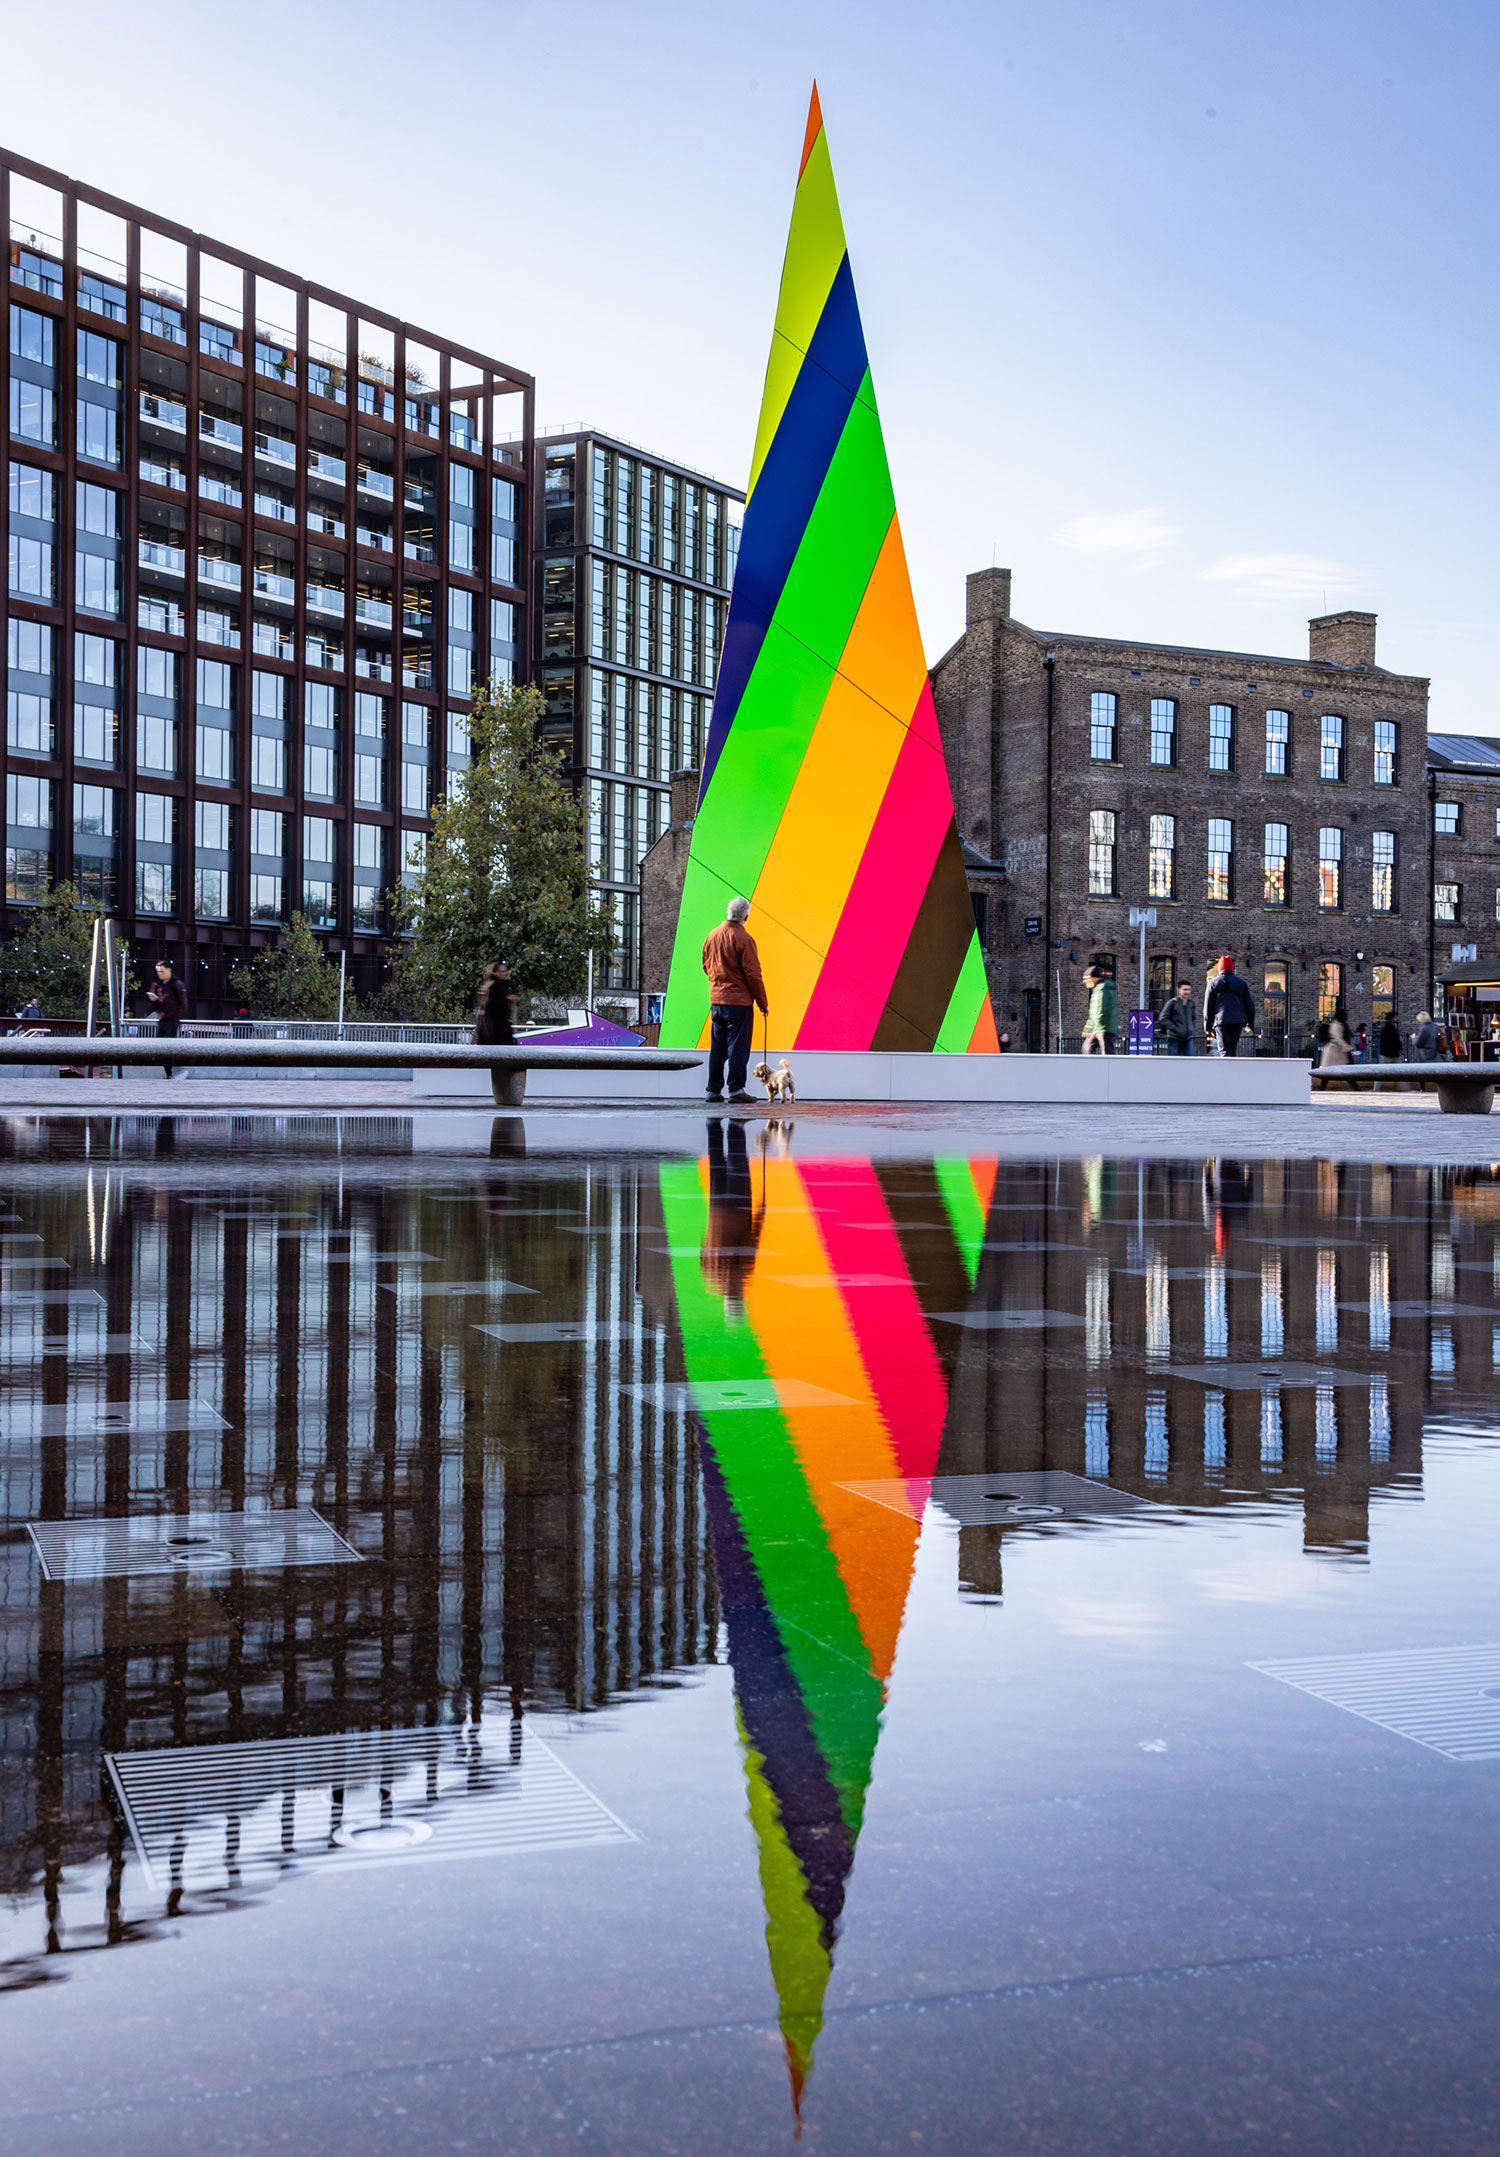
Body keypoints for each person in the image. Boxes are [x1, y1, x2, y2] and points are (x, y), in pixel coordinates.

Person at [701, 896, 767, 1103]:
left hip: (717, 1001)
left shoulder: (711, 936)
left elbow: (705, 966)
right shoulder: (744, 939)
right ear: (746, 916)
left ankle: (713, 1091)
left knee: (718, 1048)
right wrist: (762, 1001)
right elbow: (753, 974)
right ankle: (736, 1090)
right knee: (738, 1048)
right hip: (739, 1003)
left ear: (728, 912)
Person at [1204, 955, 1256, 1058]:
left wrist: (1207, 1026)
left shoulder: (1213, 983)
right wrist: (1250, 1024)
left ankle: (1226, 1072)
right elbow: (1249, 1005)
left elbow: (1208, 1006)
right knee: (1233, 1049)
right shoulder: (1241, 983)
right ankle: (1233, 1071)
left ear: (1219, 968)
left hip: (1221, 1021)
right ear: (1232, 968)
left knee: (1224, 1050)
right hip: (1237, 1021)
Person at [147, 958, 188, 1078]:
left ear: (169, 970)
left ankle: (174, 1071)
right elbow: (157, 1006)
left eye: (162, 971)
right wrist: (154, 1000)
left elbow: (183, 1004)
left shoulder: (177, 985)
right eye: (158, 972)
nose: (160, 974)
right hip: (162, 1020)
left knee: (169, 1048)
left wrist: (176, 1020)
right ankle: (169, 1073)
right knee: (161, 1049)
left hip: (172, 1021)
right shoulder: (159, 985)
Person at [473, 960, 516, 1045]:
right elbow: (491, 1004)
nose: (504, 973)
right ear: (495, 973)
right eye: (502, 971)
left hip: (494, 1027)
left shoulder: (491, 985)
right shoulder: (495, 986)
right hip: (496, 1027)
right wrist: (506, 999)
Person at [1080, 967, 1117, 1054]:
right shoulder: (1098, 989)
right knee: (1087, 1048)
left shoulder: (1102, 990)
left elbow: (1099, 1011)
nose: (1084, 982)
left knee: (1106, 1052)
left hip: (1102, 1027)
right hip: (1099, 1027)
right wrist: (1089, 1029)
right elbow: (1094, 1012)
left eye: (1086, 979)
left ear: (1094, 978)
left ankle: (1109, 1067)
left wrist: (1093, 1029)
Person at [1157, 981, 1197, 1056]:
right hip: (1174, 1038)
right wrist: (1175, 1028)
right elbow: (1163, 1018)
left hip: (1188, 1038)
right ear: (1178, 990)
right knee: (1174, 1063)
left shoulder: (1191, 1003)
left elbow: (1194, 1018)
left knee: (1191, 1062)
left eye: (1188, 989)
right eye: (1184, 989)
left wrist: (1191, 1027)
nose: (1187, 992)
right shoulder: (1172, 1003)